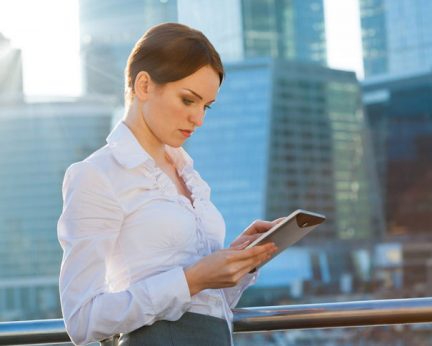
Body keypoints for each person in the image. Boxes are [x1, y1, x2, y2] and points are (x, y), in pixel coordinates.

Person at [57, 22, 280, 346]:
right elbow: (82, 319)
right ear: (144, 85)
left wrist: (236, 263)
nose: (199, 119)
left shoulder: (189, 176)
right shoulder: (97, 175)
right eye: (188, 100)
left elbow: (204, 306)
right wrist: (191, 279)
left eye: (206, 106)